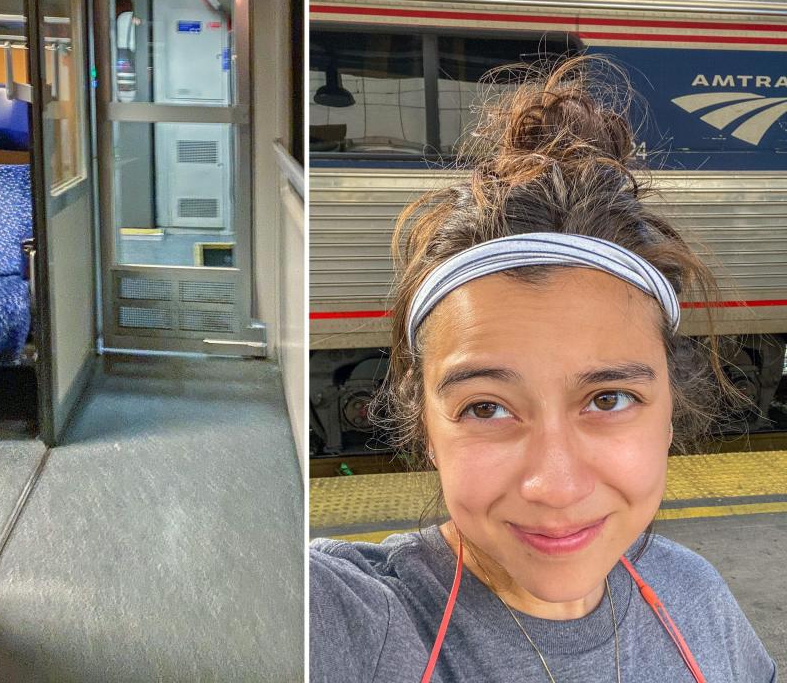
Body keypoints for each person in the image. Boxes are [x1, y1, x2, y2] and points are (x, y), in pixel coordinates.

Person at [309, 56, 777, 683]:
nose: (555, 488)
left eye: (609, 399)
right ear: (426, 428)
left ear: (672, 410)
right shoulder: (359, 624)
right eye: (486, 408)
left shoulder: (697, 598)